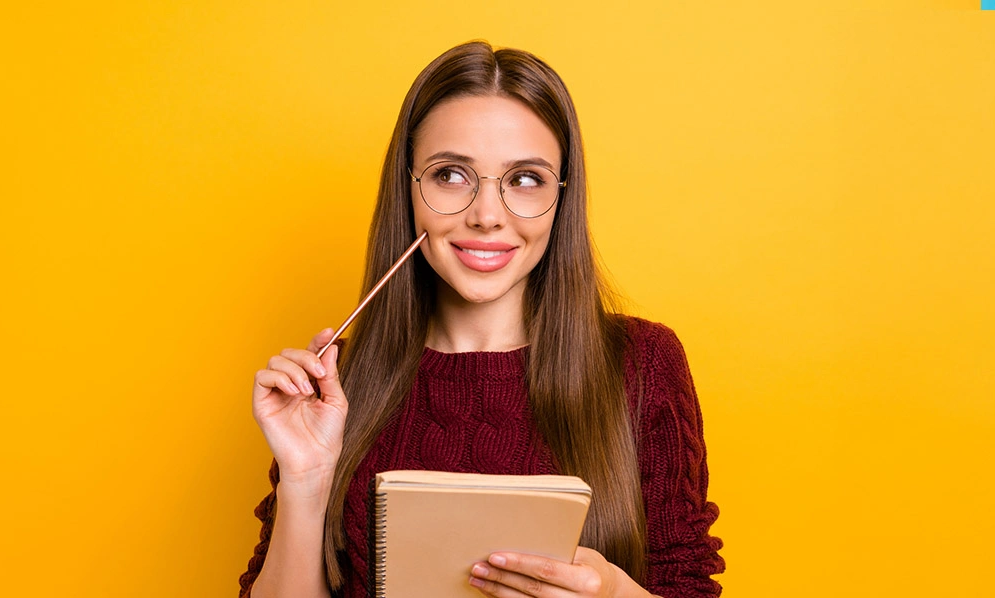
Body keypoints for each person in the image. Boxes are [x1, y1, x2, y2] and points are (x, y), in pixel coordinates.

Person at [239, 40, 724, 598]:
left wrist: (612, 592)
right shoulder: (332, 390)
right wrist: (305, 480)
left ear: (562, 197)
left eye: (524, 179)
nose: (487, 216)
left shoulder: (642, 363)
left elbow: (688, 584)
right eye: (450, 175)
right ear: (410, 188)